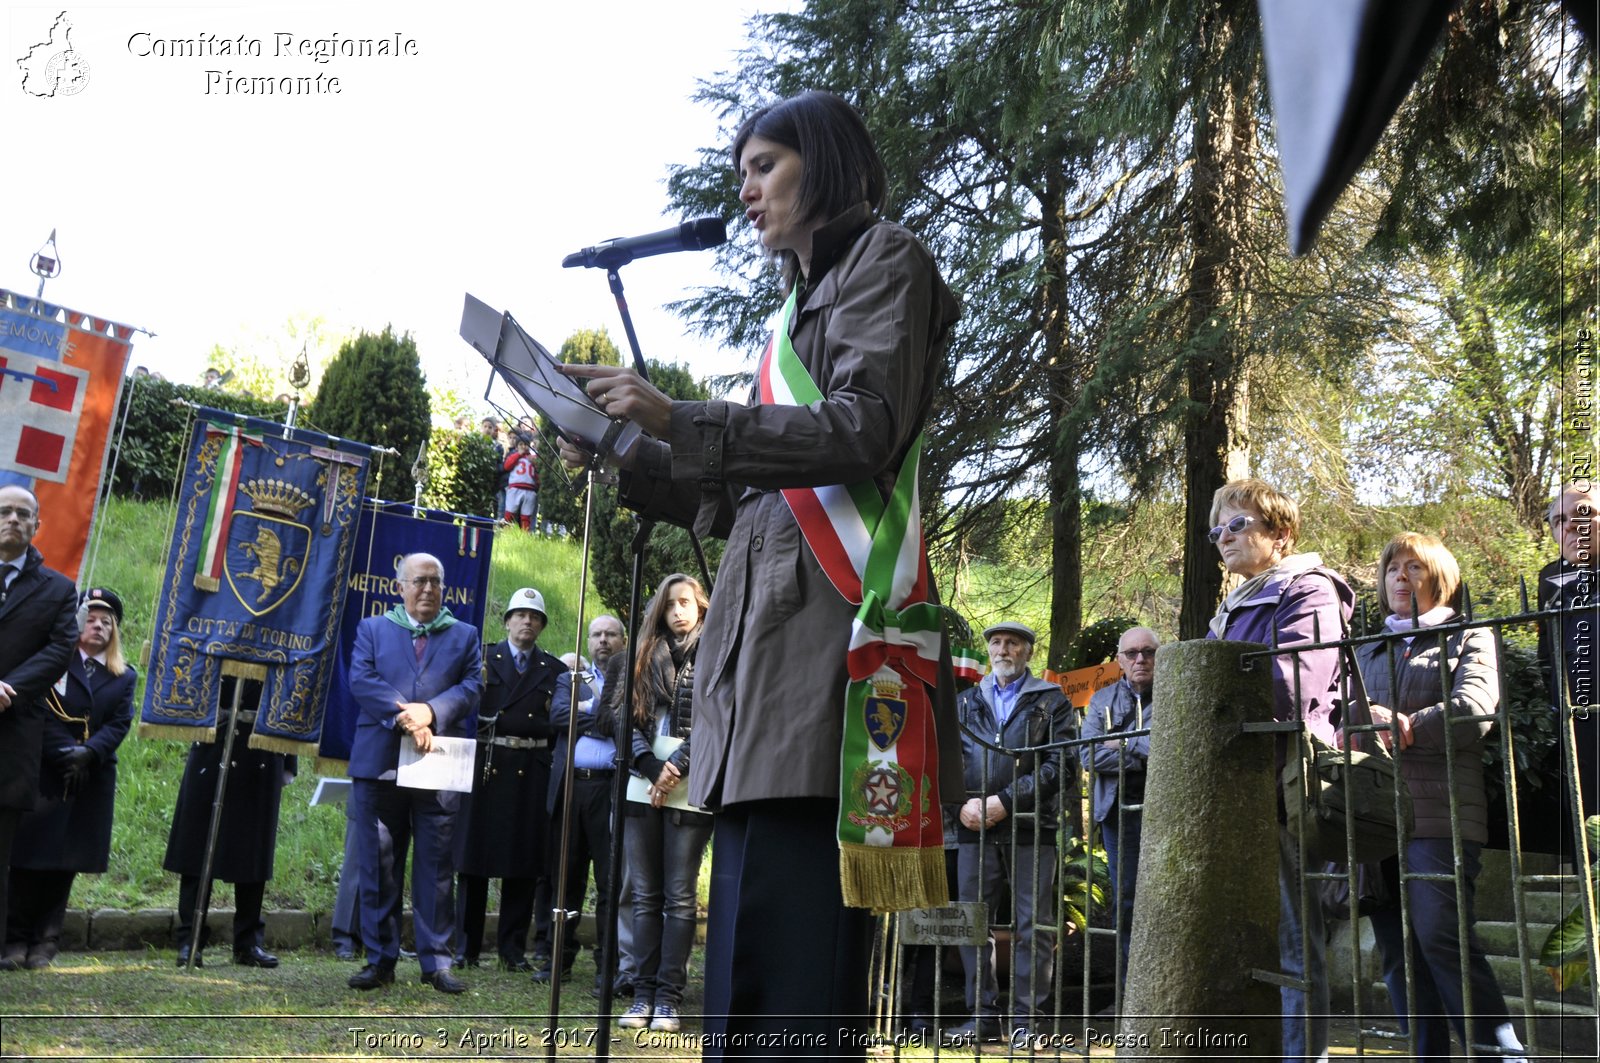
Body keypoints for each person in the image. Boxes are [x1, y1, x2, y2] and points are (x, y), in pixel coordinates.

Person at [558, 90, 963, 1058]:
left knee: (795, 989)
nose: (744, 189)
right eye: (742, 170)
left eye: (763, 165)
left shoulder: (884, 261)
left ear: (823, 161)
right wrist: (626, 453)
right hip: (756, 687)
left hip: (825, 672)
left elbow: (861, 431)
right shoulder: (794, 305)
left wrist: (682, 417)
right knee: (742, 983)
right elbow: (756, 503)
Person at [1204, 478, 1354, 1063]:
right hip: (1232, 787)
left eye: (1237, 525)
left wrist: (1211, 712)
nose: (1224, 538)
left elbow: (1296, 684)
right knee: (1242, 937)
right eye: (1218, 529)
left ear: (1281, 535)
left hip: (1283, 783)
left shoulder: (1310, 590)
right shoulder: (1233, 605)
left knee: (1293, 942)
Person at [1359, 532, 1524, 1060]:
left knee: (1440, 938)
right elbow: (1339, 714)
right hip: (1373, 817)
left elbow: (1475, 708)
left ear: (1441, 579)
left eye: (1414, 568)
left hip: (1440, 815)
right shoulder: (1365, 647)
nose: (1401, 578)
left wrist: (1405, 725)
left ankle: (1501, 1054)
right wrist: (1352, 727)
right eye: (1392, 569)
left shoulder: (1469, 636)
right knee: (1397, 952)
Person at [345, 552, 482, 994]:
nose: (426, 589)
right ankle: (379, 960)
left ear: (444, 588)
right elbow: (361, 680)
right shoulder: (372, 629)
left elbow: (472, 687)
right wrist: (406, 716)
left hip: (437, 765)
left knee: (437, 867)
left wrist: (431, 712)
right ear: (399, 585)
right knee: (379, 865)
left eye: (434, 582)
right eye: (418, 581)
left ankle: (437, 963)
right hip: (379, 764)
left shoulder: (465, 636)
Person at [946, 621, 1075, 1044]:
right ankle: (981, 1017)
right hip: (972, 828)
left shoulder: (1051, 701)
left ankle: (1026, 1022)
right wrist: (959, 804)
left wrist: (1006, 801)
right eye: (997, 643)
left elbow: (1061, 765)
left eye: (1013, 643)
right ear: (989, 652)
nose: (1004, 649)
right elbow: (943, 761)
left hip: (1030, 829)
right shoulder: (964, 702)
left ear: (1027, 652)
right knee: (971, 924)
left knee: (1032, 927)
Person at [5, 589, 135, 970]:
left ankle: (46, 942)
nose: (98, 626)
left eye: (106, 622)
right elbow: (36, 709)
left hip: (88, 778)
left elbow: (120, 722)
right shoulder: (53, 664)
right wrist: (65, 752)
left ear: (115, 633)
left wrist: (90, 753)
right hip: (45, 772)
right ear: (76, 624)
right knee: (28, 860)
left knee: (65, 864)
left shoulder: (123, 676)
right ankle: (13, 940)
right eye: (91, 619)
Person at [614, 575, 713, 1035]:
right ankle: (642, 995)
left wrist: (675, 765)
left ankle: (669, 1000)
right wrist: (650, 766)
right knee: (644, 896)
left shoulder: (716, 652)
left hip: (691, 789)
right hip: (642, 785)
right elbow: (623, 718)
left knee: (679, 897)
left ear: (699, 606)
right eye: (670, 604)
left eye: (686, 602)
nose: (678, 611)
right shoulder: (642, 655)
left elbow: (718, 719)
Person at [455, 587, 562, 971]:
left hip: (531, 769)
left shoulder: (555, 670)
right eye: (520, 615)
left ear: (542, 625)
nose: (527, 622)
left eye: (534, 617)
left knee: (523, 863)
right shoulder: (482, 658)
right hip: (487, 764)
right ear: (507, 621)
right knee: (473, 859)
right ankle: (465, 947)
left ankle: (511, 950)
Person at [0, 490, 82, 974]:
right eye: (5, 512)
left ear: (37, 525)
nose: (13, 519)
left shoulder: (57, 589)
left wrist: (10, 687)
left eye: (22, 514)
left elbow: (59, 649)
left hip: (11, 737)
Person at [163, 673, 291, 969]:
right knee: (198, 845)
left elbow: (291, 693)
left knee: (253, 848)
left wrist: (289, 758)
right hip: (213, 739)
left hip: (263, 744)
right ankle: (190, 940)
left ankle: (248, 943)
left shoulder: (283, 632)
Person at [543, 613, 627, 991]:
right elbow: (559, 716)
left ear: (623, 641)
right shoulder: (570, 678)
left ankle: (606, 967)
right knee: (565, 879)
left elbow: (627, 723)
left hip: (610, 792)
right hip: (571, 790)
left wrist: (586, 712)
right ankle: (558, 959)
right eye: (597, 635)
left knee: (610, 882)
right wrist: (601, 715)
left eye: (611, 634)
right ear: (588, 641)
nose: (603, 641)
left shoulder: (630, 679)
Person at [1080, 625, 1159, 996]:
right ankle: (1130, 994)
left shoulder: (1174, 693)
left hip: (1167, 809)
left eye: (1148, 652)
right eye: (1132, 654)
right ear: (1120, 661)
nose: (1140, 659)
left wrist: (1121, 743)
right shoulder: (1103, 700)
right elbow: (1088, 754)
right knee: (1125, 898)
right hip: (1117, 813)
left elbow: (1171, 746)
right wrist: (1143, 750)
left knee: (1166, 896)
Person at [1537, 481, 1599, 859]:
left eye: (1584, 514)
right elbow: (1548, 652)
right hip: (1577, 721)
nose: (1570, 527)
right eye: (1559, 520)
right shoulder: (1550, 579)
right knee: (1587, 825)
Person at [503, 434, 540, 532]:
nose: (523, 447)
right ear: (516, 446)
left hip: (530, 490)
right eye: (521, 444)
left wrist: (535, 464)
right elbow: (506, 466)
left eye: (526, 444)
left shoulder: (533, 458)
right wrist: (518, 454)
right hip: (515, 488)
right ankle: (506, 533)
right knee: (509, 513)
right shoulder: (513, 456)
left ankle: (524, 535)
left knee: (526, 515)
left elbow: (537, 474)